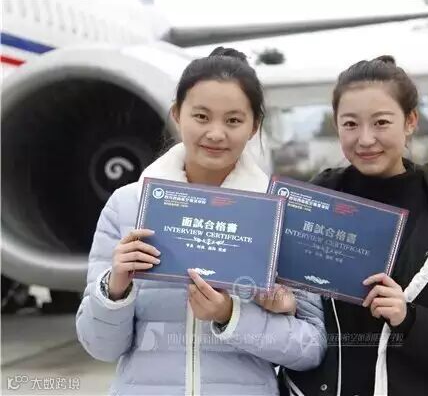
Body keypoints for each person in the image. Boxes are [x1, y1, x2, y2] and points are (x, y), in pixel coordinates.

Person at [76, 47, 326, 396]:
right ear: (177, 114)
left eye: (233, 120)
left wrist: (231, 315)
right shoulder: (127, 205)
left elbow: (310, 348)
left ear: (254, 126)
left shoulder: (282, 215)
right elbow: (99, 347)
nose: (216, 133)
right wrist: (115, 289)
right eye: (201, 116)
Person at [276, 56, 428, 395]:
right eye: (350, 124)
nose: (365, 139)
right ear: (336, 126)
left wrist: (409, 319)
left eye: (381, 122)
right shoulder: (305, 206)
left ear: (410, 121)